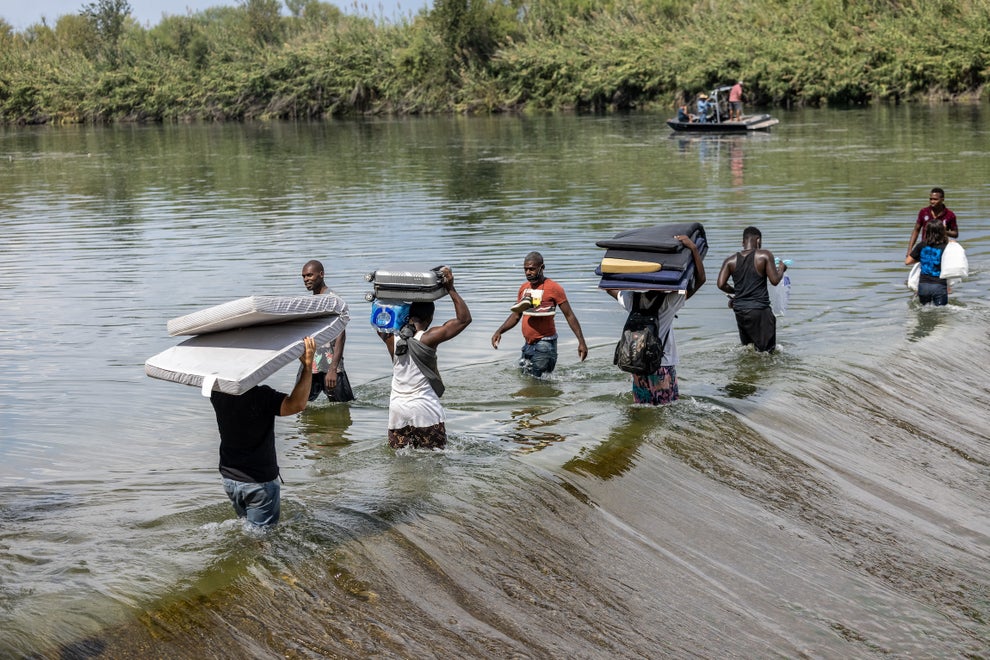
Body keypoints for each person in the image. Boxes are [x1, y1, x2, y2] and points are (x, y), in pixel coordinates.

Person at [210, 336, 317, 528]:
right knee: (262, 539)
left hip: (229, 478)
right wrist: (308, 367)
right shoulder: (261, 397)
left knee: (247, 528)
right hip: (259, 483)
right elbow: (298, 404)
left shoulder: (216, 393)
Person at [604, 235, 705, 405]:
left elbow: (609, 288)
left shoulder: (631, 299)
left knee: (642, 408)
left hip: (637, 365)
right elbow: (700, 280)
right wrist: (693, 249)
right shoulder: (669, 302)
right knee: (666, 409)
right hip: (662, 365)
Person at [378, 266, 471, 450]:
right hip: (424, 409)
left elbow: (379, 317)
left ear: (408, 316)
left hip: (397, 410)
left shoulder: (390, 338)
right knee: (434, 461)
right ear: (430, 318)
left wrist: (394, 299)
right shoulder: (428, 338)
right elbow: (464, 319)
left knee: (401, 462)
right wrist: (450, 288)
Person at [491, 252, 588, 378]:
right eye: (525, 269)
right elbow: (516, 315)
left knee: (536, 383)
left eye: (532, 269)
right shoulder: (524, 288)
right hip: (528, 345)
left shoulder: (553, 288)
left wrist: (581, 342)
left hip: (545, 344)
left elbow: (569, 315)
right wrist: (499, 331)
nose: (528, 272)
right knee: (526, 378)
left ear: (542, 268)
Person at [716, 226, 787, 353]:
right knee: (767, 354)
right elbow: (775, 280)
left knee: (749, 350)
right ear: (758, 240)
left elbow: (721, 284)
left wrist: (737, 292)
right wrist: (781, 268)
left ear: (743, 242)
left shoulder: (730, 260)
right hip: (760, 311)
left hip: (740, 312)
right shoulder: (764, 255)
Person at [301, 259, 354, 402]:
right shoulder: (311, 302)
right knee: (301, 404)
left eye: (310, 275)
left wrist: (333, 369)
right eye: (304, 276)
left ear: (321, 274)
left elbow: (341, 334)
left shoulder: (333, 300)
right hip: (311, 365)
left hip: (330, 366)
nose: (306, 279)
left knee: (343, 407)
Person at [905, 221, 949, 306]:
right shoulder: (946, 247)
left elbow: (907, 261)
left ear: (927, 231)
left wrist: (924, 258)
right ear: (942, 231)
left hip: (923, 286)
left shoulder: (921, 245)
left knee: (924, 311)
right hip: (939, 286)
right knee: (941, 314)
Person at [906, 187, 958, 257]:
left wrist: (944, 231)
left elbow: (955, 234)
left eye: (935, 199)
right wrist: (910, 249)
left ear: (942, 199)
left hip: (942, 249)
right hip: (925, 247)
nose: (932, 201)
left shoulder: (950, 215)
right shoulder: (924, 212)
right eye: (931, 199)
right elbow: (916, 230)